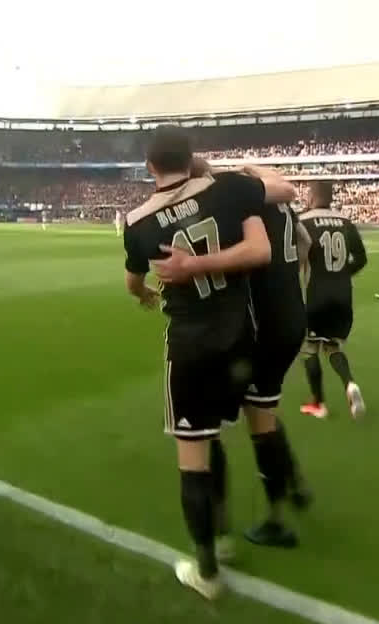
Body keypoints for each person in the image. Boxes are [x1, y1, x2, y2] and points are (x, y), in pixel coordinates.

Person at [122, 128, 284, 600]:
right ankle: (227, 534)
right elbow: (261, 249)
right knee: (216, 435)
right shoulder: (228, 188)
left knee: (193, 454)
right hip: (239, 341)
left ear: (150, 166)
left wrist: (153, 288)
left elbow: (133, 282)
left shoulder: (138, 222)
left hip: (191, 348)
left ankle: (208, 571)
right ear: (191, 157)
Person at [158, 157, 311, 553]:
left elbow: (243, 259)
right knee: (263, 414)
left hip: (257, 329)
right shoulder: (275, 200)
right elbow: (304, 244)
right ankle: (289, 488)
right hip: (291, 317)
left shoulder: (228, 204)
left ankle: (226, 528)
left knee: (212, 426)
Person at [297, 181, 368, 419]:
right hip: (342, 294)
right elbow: (361, 258)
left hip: (315, 294)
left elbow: (294, 258)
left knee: (309, 348)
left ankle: (318, 404)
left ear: (312, 196)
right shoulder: (345, 221)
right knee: (333, 346)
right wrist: (341, 276)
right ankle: (350, 384)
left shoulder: (303, 221)